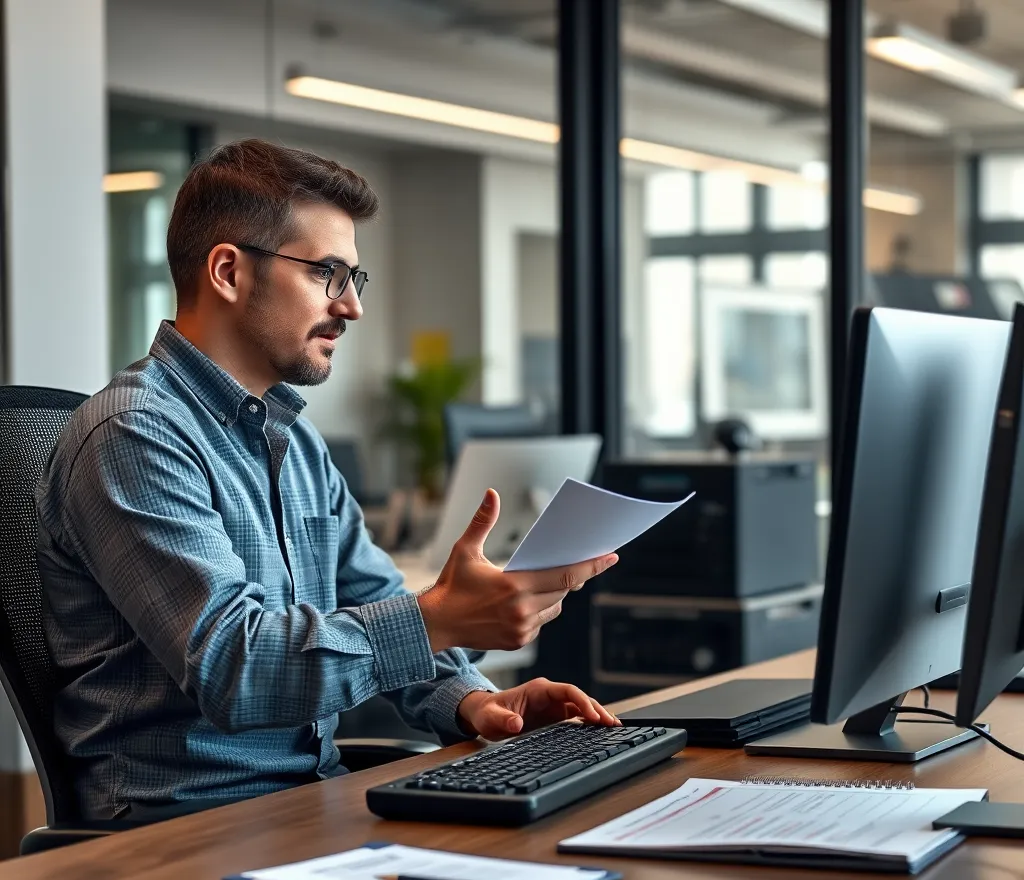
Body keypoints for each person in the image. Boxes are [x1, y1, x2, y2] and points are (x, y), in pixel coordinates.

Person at [35, 139, 619, 822]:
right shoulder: (132, 435)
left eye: (354, 280)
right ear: (228, 270)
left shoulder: (296, 442)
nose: (352, 308)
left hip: (310, 808)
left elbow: (369, 595)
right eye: (328, 274)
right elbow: (237, 668)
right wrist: (435, 617)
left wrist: (473, 701)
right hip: (183, 833)